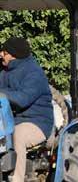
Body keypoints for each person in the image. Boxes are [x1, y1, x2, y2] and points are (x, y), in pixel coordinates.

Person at [0, 37, 54, 182]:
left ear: (13, 54)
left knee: (18, 134)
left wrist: (2, 94)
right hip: (11, 120)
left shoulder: (34, 72)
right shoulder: (5, 71)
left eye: (4, 52)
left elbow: (22, 99)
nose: (0, 54)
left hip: (37, 122)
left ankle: (17, 179)